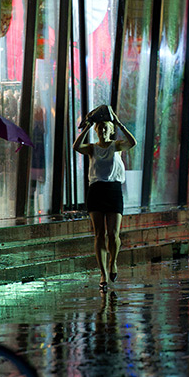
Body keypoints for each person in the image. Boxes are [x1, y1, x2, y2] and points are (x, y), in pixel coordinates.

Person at [73, 109, 137, 291]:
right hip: (96, 190)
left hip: (113, 190)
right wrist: (87, 127)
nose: (102, 131)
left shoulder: (115, 146)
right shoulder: (92, 148)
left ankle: (113, 262)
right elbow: (76, 147)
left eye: (105, 128)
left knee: (113, 233)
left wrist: (118, 123)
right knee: (99, 233)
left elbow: (132, 143)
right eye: (99, 129)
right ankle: (103, 273)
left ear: (110, 131)